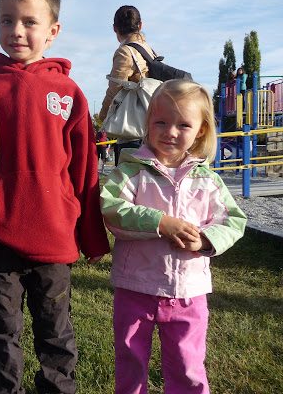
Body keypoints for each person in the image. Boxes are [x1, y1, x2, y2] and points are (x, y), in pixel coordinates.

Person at [0, 0, 110, 394]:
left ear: (52, 31)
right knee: (1, 330)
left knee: (55, 330)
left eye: (29, 21)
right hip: (1, 235)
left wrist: (92, 237)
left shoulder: (69, 93)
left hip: (55, 235)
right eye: (7, 20)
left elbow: (85, 172)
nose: (17, 31)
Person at [100, 79, 247, 394]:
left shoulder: (208, 181)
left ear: (201, 131)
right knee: (130, 361)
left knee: (187, 365)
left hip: (189, 291)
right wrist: (160, 222)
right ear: (148, 123)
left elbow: (233, 220)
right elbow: (112, 210)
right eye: (161, 122)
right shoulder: (131, 172)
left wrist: (205, 240)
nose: (170, 131)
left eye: (183, 125)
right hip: (135, 287)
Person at [98, 5, 154, 165]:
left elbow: (114, 90)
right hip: (152, 127)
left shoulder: (125, 52)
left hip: (132, 129)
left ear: (114, 28)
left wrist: (103, 118)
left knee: (128, 177)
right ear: (140, 26)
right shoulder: (151, 53)